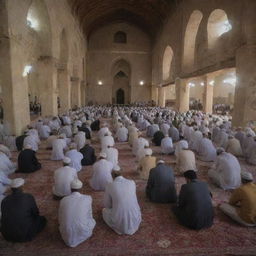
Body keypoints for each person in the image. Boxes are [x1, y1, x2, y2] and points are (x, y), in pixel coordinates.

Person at [58, 179, 96, 247]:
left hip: (66, 233)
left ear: (70, 188)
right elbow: (89, 214)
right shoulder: (88, 198)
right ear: (81, 188)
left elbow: (60, 217)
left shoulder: (63, 200)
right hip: (83, 231)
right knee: (91, 219)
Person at [102, 170, 142, 235]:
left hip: (119, 223)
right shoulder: (132, 182)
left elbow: (107, 205)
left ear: (112, 176)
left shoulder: (110, 185)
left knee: (104, 211)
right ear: (121, 174)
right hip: (135, 217)